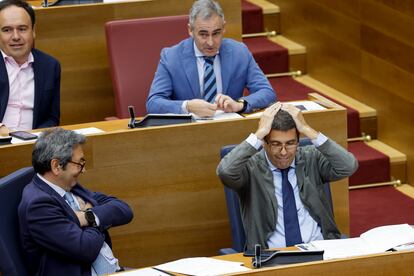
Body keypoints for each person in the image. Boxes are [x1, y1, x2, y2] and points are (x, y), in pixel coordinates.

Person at [217, 102, 358, 250]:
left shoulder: (310, 157)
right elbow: (225, 171)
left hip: (319, 250)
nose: (284, 152)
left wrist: (307, 129)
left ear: (298, 142)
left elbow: (348, 165)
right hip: (272, 258)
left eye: (290, 143)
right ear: (264, 143)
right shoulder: (251, 167)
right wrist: (259, 133)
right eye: (276, 144)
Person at [18, 128, 133, 276]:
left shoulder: (68, 185)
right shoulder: (38, 205)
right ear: (56, 166)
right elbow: (86, 249)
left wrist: (86, 217)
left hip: (110, 270)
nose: (83, 170)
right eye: (79, 163)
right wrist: (94, 220)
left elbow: (123, 209)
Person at [146, 0, 275, 117]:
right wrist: (187, 106)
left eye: (216, 33)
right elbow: (153, 103)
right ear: (190, 30)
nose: (211, 42)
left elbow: (267, 92)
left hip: (230, 129)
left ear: (224, 28)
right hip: (187, 132)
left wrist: (239, 104)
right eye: (203, 34)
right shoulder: (171, 57)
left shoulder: (239, 52)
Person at [0, 0, 60, 136]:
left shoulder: (50, 66)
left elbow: (52, 118)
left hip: (34, 146)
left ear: (33, 31)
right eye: (7, 30)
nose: (15, 37)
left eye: (22, 29)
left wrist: (37, 137)